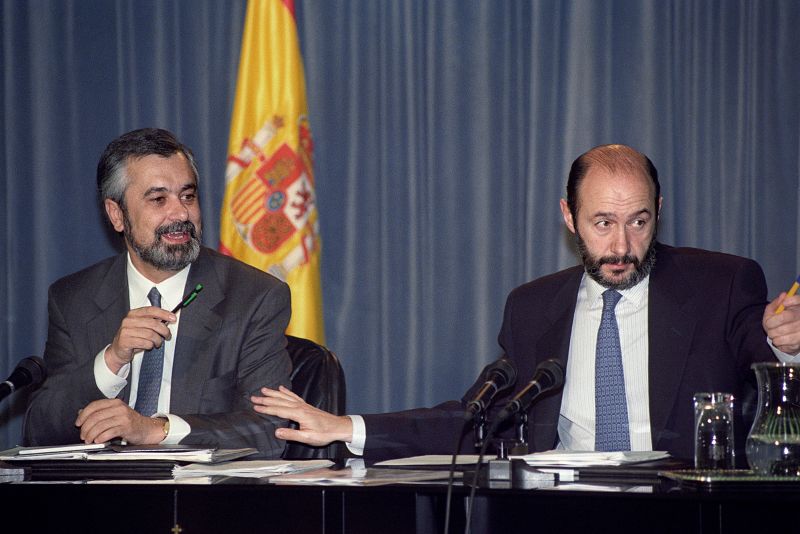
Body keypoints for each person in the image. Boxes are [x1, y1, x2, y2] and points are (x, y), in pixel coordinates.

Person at [252, 144, 800, 462]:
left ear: (658, 209)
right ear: (569, 217)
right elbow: (476, 419)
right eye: (602, 223)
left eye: (639, 221)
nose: (622, 247)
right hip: (562, 511)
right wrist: (344, 427)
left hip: (681, 511)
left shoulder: (722, 283)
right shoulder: (533, 307)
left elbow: (773, 381)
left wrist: (790, 348)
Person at [23, 128, 292, 458]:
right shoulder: (74, 298)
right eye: (158, 199)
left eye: (188, 196)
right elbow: (39, 432)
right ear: (117, 214)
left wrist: (158, 430)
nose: (180, 214)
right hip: (102, 487)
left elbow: (269, 432)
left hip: (196, 488)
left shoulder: (253, 297)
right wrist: (111, 361)